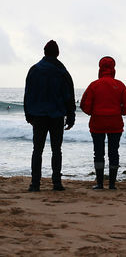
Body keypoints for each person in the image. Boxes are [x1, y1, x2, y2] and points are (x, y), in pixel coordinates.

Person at [24, 40, 76, 192]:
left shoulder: (34, 70)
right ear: (57, 53)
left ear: (44, 52)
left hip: (39, 115)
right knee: (56, 150)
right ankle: (56, 183)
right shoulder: (62, 71)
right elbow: (69, 96)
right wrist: (71, 115)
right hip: (56, 115)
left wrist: (28, 114)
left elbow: (28, 94)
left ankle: (35, 184)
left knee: (37, 150)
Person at [80, 56, 126, 190]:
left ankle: (99, 183)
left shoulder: (94, 85)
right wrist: (121, 112)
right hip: (115, 123)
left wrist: (92, 112)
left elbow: (84, 104)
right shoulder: (119, 85)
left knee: (98, 153)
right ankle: (112, 184)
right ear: (113, 69)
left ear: (100, 69)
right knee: (113, 152)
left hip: (97, 122)